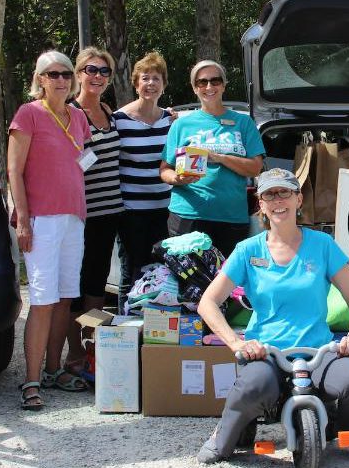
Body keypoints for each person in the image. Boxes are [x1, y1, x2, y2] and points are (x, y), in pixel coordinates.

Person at [195, 168, 349, 463]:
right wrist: (237, 344)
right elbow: (208, 302)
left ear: (298, 199)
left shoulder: (323, 245)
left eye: (284, 192)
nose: (277, 200)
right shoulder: (247, 250)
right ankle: (223, 436)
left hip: (318, 351)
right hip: (266, 352)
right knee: (253, 386)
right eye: (270, 194)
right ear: (261, 203)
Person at [8, 50, 90, 410]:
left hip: (74, 217)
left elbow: (80, 163)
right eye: (53, 74)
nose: (61, 80)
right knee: (41, 301)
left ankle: (54, 369)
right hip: (41, 218)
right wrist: (22, 218)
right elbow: (14, 170)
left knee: (65, 297)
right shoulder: (28, 114)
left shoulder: (78, 116)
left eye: (66, 74)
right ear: (40, 79)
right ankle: (31, 379)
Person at [159, 60, 265, 258]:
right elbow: (164, 169)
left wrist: (218, 157)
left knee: (229, 285)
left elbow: (255, 168)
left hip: (231, 216)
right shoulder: (181, 124)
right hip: (187, 214)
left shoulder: (243, 122)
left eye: (215, 81)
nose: (209, 87)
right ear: (194, 88)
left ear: (224, 85)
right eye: (202, 82)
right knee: (188, 282)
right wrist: (177, 179)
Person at [64, 47, 125, 374]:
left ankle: (92, 351)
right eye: (91, 70)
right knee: (76, 288)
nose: (97, 76)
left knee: (97, 287)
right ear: (78, 73)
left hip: (109, 213)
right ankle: (74, 354)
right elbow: (66, 162)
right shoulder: (71, 113)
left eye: (104, 71)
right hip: (81, 215)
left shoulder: (107, 110)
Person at [113, 51, 173, 295]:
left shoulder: (170, 120)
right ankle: (125, 330)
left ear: (164, 84)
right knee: (133, 272)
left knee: (163, 273)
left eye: (156, 78)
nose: (151, 84)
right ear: (136, 84)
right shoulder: (119, 120)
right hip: (131, 212)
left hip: (165, 210)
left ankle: (156, 331)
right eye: (145, 78)